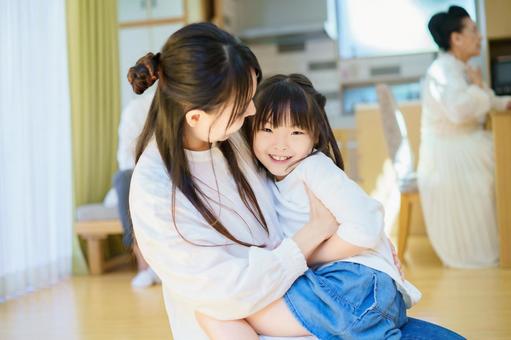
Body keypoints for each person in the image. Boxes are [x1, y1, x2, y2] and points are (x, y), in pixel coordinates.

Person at [128, 22, 465, 339]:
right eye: (242, 105)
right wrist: (315, 237)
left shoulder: (230, 135)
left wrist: (366, 244)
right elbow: (228, 296)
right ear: (197, 117)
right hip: (265, 316)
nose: (251, 114)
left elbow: (312, 185)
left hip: (311, 295)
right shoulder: (156, 193)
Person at [195, 74, 422, 339]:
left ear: (314, 136)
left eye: (295, 132)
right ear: (251, 130)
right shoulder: (269, 178)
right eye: (267, 129)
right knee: (220, 308)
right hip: (361, 291)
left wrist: (309, 256)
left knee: (217, 311)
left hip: (354, 285)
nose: (280, 144)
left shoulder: (313, 167)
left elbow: (367, 224)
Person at [418, 6, 511, 268]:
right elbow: (459, 111)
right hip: (450, 151)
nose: (480, 37)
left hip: (465, 142)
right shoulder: (442, 70)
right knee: (500, 166)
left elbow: (487, 100)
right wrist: (480, 87)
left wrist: (500, 101)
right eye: (473, 30)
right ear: (456, 38)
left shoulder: (460, 67)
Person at [114, 89, 160, 288]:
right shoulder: (136, 110)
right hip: (140, 173)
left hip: (174, 172)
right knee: (124, 179)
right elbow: (126, 158)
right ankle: (144, 266)